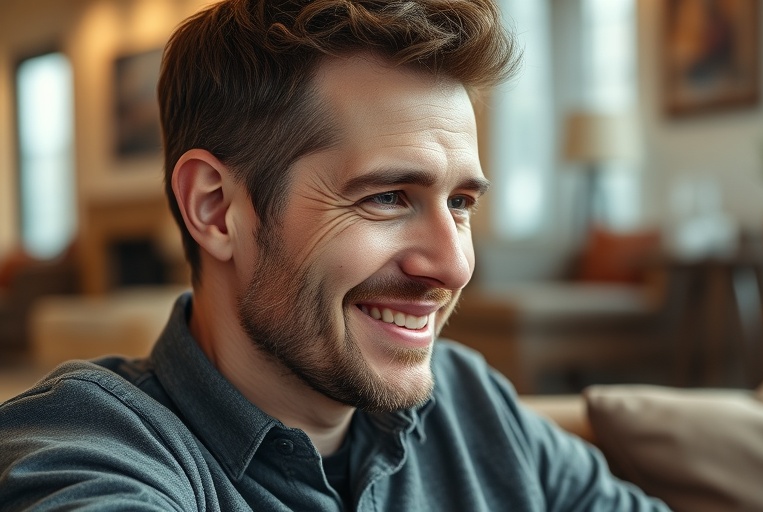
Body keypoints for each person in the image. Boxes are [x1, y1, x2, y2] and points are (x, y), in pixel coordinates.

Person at [0, 1, 669, 510]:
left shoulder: (472, 404)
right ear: (214, 208)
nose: (453, 265)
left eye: (460, 203)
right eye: (386, 197)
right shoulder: (88, 450)